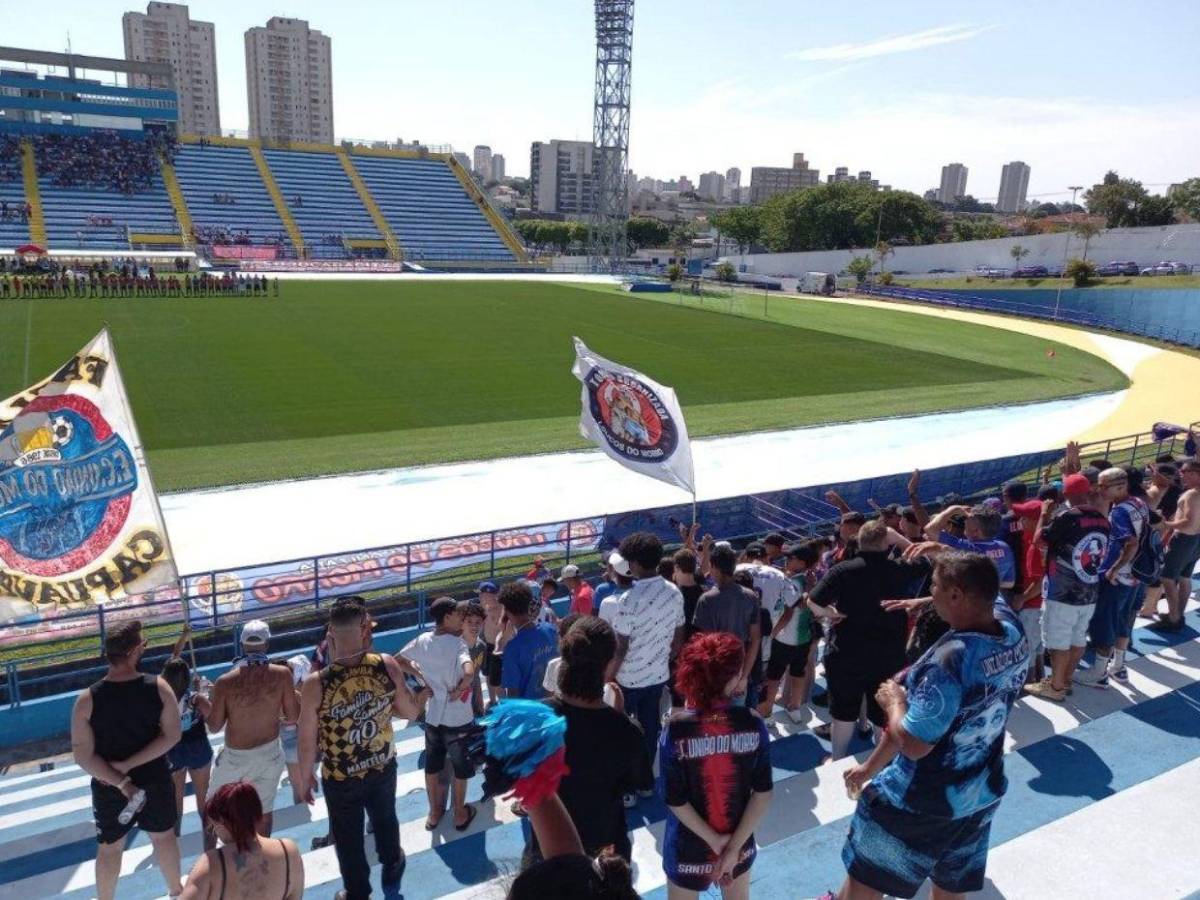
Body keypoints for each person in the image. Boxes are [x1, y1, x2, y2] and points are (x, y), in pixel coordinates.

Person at [836, 552, 1029, 900]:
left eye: (935, 587)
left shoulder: (949, 662)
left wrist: (894, 703)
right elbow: (986, 585)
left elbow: (913, 742)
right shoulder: (1011, 627)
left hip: (919, 803)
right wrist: (938, 552)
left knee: (863, 886)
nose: (930, 594)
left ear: (956, 595)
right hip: (980, 792)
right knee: (951, 889)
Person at [299, 596, 425, 900]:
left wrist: (304, 778)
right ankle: (392, 862)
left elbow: (306, 738)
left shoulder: (316, 683)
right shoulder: (387, 664)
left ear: (330, 635)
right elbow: (410, 713)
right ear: (365, 630)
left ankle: (357, 892)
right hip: (382, 764)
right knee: (385, 818)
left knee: (348, 837)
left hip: (340, 775)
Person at [525, 616, 651, 867]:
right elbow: (639, 781)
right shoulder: (626, 731)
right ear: (607, 665)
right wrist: (620, 718)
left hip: (548, 847)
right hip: (606, 849)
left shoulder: (534, 719)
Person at [70, 621, 183, 900]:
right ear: (135, 651)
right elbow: (171, 737)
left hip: (108, 783)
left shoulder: (86, 700)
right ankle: (178, 893)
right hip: (154, 779)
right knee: (164, 838)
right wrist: (129, 766)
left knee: (109, 847)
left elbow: (82, 755)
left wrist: (119, 778)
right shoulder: (159, 688)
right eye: (144, 644)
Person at [660, 632, 773, 899]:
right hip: (739, 839)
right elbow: (763, 792)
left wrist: (715, 842)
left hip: (688, 848)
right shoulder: (753, 722)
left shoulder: (675, 729)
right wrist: (732, 848)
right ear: (733, 678)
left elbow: (674, 799)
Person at [809, 520, 930, 760]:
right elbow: (925, 561)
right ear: (886, 543)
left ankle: (837, 759)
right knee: (882, 715)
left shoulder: (842, 570)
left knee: (843, 714)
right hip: (888, 655)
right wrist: (900, 539)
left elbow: (813, 601)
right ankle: (881, 762)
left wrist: (832, 614)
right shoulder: (899, 568)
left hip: (846, 652)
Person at [206, 620, 298, 836]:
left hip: (235, 757)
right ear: (267, 644)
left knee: (213, 809)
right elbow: (293, 717)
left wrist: (206, 703)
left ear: (242, 645)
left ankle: (217, 859)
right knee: (263, 813)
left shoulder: (224, 682)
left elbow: (214, 726)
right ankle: (262, 858)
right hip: (270, 754)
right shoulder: (282, 675)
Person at [1025, 473, 1110, 701]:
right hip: (1089, 591)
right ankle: (1065, 679)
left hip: (1062, 592)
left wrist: (1044, 514)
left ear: (1067, 494)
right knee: (1077, 638)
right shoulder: (1103, 519)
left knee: (1057, 641)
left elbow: (1039, 539)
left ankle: (1055, 687)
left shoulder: (1067, 517)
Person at [612, 531, 688, 781]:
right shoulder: (674, 592)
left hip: (628, 679)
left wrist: (608, 677)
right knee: (651, 726)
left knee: (624, 731)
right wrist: (665, 658)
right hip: (658, 675)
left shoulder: (627, 600)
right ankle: (646, 780)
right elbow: (679, 633)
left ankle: (629, 784)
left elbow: (620, 647)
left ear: (633, 564)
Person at [399, 596, 478, 831]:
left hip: (433, 716)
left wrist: (421, 676)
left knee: (433, 765)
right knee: (460, 766)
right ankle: (459, 813)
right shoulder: (458, 644)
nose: (461, 618)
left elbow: (398, 660)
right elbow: (469, 672)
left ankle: (434, 813)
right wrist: (461, 689)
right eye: (458, 614)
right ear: (447, 617)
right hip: (458, 718)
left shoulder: (422, 640)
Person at [1077, 468, 1151, 686]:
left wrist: (1114, 569)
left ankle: (1099, 672)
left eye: (1101, 485)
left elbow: (1131, 542)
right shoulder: (1139, 503)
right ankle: (1118, 666)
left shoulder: (1119, 511)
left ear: (1115, 486)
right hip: (1137, 576)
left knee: (1105, 623)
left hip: (1121, 578)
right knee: (1125, 620)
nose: (1098, 489)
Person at [179, 780, 304, 899]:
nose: (214, 831)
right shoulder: (288, 852)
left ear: (222, 822)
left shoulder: (211, 864)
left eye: (213, 826)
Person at [161, 629, 215, 849]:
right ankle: (209, 844)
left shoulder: (161, 699)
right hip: (199, 749)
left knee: (176, 802)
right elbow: (214, 718)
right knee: (204, 800)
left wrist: (182, 637)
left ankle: (175, 843)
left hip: (173, 750)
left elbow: (173, 661)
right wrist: (205, 692)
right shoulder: (195, 699)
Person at [738, 542, 804, 719]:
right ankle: (760, 720)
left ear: (746, 556)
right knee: (760, 683)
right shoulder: (779, 575)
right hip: (765, 638)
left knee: (736, 681)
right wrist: (774, 632)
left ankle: (737, 721)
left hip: (736, 638)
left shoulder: (736, 569)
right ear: (766, 557)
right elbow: (793, 607)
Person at [693, 543, 761, 709]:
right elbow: (755, 639)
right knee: (736, 722)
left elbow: (703, 644)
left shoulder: (706, 600)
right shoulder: (751, 596)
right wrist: (744, 677)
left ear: (714, 567)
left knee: (713, 723)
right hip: (739, 672)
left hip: (714, 676)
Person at [1152, 459, 1200, 632]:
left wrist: (1165, 524)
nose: (1181, 475)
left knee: (1167, 577)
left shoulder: (1191, 495)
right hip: (1196, 540)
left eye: (1184, 472)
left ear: (1194, 474)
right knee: (1185, 576)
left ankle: (1173, 618)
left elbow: (1188, 521)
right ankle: (1178, 613)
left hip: (1184, 539)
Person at [924, 503, 1016, 593]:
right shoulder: (1005, 547)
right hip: (995, 602)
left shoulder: (966, 547)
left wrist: (953, 509)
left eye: (968, 519)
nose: (965, 521)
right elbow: (1009, 583)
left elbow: (930, 529)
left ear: (976, 531)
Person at [498, 580, 560, 699]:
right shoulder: (551, 629)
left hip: (531, 712)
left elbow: (513, 693)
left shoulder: (512, 648)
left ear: (507, 612)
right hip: (557, 705)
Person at [597, 552, 634, 624]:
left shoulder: (607, 603)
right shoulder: (646, 590)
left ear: (612, 570)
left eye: (607, 568)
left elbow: (603, 631)